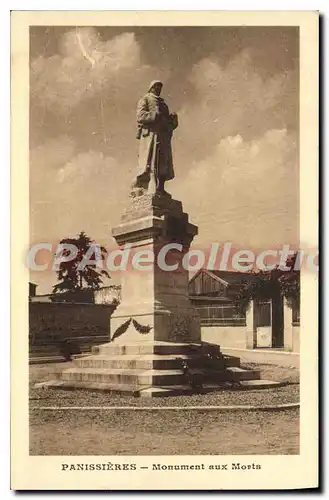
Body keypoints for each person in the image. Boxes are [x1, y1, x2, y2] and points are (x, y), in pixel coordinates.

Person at [134, 80, 178, 195]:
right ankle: (151, 186)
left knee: (163, 163)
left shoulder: (163, 104)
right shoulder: (146, 99)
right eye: (157, 87)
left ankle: (161, 188)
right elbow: (140, 116)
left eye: (160, 87)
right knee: (152, 162)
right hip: (151, 135)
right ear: (152, 87)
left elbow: (168, 123)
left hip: (163, 137)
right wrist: (154, 115)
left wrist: (173, 121)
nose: (159, 89)